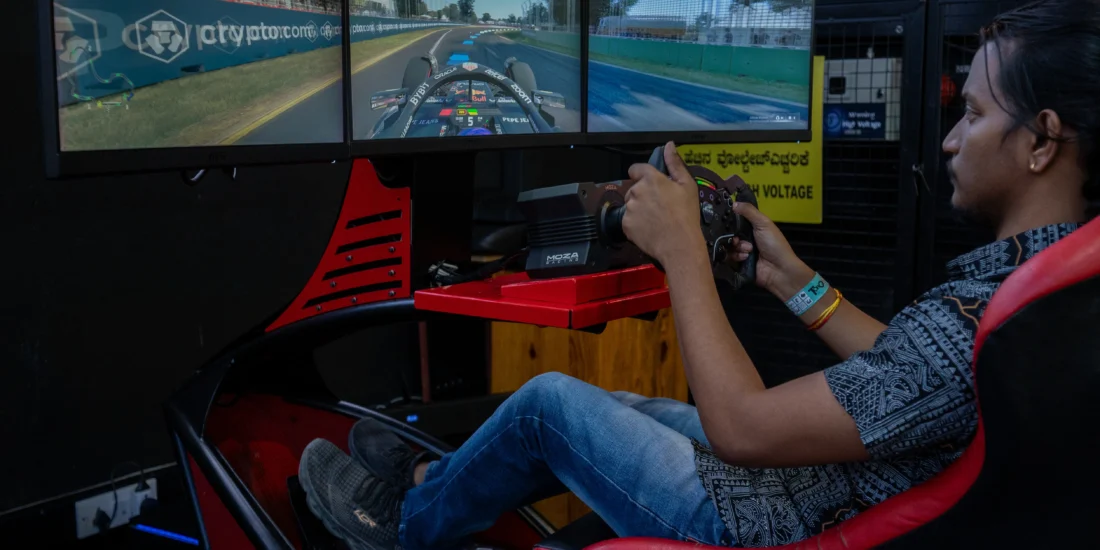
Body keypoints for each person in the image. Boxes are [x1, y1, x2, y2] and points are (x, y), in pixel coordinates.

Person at [297, 1, 1098, 547]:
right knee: (621, 404)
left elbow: (742, 429)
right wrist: (793, 281)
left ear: (1042, 140)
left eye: (976, 114)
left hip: (770, 522)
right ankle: (440, 477)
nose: (954, 139)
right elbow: (911, 378)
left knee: (547, 405)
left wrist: (683, 251)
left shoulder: (989, 305)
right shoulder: (1043, 286)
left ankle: (401, 526)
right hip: (841, 488)